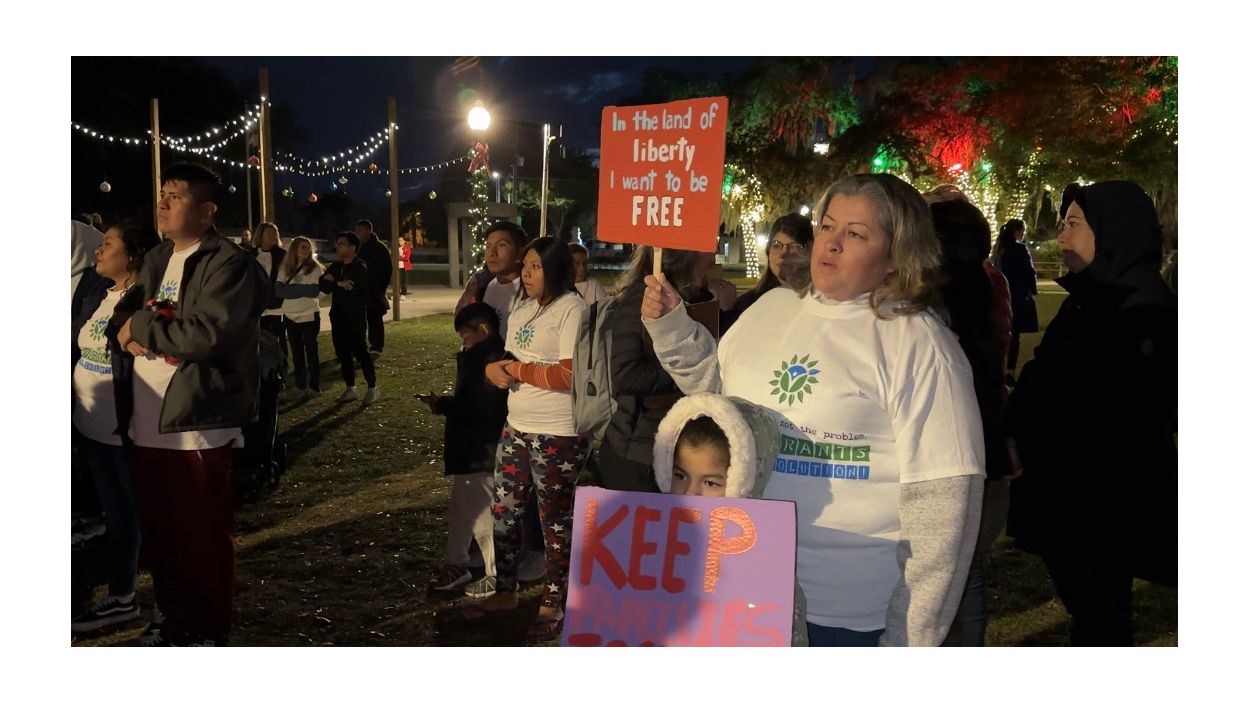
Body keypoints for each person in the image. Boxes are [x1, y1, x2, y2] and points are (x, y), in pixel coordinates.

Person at [641, 173, 985, 646]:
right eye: (827, 226)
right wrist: (672, 328)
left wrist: (909, 640)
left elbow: (944, 508)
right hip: (744, 589)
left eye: (856, 234)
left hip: (849, 613)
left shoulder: (920, 345)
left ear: (897, 255)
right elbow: (726, 406)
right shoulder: (770, 308)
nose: (832, 243)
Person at [1004, 180, 1177, 646]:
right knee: (1091, 609)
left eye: (1074, 224)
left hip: (1102, 504)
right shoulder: (1089, 301)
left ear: (1112, 231)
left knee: (1102, 615)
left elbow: (1116, 412)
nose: (1061, 236)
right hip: (1071, 496)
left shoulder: (1145, 311)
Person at [111, 162, 269, 646]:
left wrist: (141, 327)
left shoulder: (229, 264)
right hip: (148, 417)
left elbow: (209, 334)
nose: (162, 203)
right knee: (162, 531)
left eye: (175, 196)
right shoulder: (160, 256)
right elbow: (126, 307)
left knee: (200, 532)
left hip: (196, 419)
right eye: (162, 194)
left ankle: (207, 629)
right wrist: (129, 324)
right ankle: (172, 618)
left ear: (206, 212)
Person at [462, 236, 590, 643]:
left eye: (536, 267)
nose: (528, 274)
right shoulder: (522, 309)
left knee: (554, 521)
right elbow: (512, 359)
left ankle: (553, 601)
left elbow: (569, 375)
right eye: (527, 266)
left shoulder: (572, 309)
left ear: (555, 269)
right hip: (516, 426)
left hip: (559, 432)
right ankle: (506, 590)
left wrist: (517, 372)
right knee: (505, 512)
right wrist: (493, 371)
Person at [651, 392, 808, 646]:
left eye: (711, 483)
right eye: (680, 476)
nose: (690, 493)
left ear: (742, 480)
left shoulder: (766, 564)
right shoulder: (648, 543)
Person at [926, 194, 1013, 646]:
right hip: (985, 457)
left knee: (953, 581)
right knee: (967, 575)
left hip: (953, 463)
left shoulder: (935, 313)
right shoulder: (984, 287)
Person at [71, 219, 160, 633]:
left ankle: (150, 598)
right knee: (115, 513)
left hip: (125, 432)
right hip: (90, 428)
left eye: (108, 244)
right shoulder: (95, 294)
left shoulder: (146, 301)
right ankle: (123, 594)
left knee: (138, 514)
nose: (98, 250)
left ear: (133, 255)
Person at [594, 246, 710, 492]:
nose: (714, 252)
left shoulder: (699, 296)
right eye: (708, 245)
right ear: (686, 254)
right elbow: (626, 374)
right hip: (638, 453)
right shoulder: (644, 298)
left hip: (681, 448)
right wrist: (691, 375)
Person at [418, 302, 508, 596]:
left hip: (480, 449)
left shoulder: (488, 360)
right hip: (474, 448)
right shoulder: (480, 357)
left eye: (466, 336)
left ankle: (493, 572)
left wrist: (443, 404)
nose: (464, 342)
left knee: (479, 514)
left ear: (482, 330)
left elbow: (480, 408)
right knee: (463, 510)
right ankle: (460, 563)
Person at [319, 232, 380, 406]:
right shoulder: (336, 266)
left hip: (354, 317)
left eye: (342, 244)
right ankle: (350, 388)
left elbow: (353, 286)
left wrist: (334, 282)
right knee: (342, 353)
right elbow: (323, 285)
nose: (338, 246)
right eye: (337, 243)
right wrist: (339, 283)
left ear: (353, 247)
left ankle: (372, 388)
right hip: (337, 316)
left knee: (361, 352)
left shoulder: (360, 266)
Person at [726, 213, 814, 329]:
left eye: (794, 246)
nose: (783, 254)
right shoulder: (748, 304)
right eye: (776, 246)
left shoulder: (819, 303)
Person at [455, 221, 527, 333]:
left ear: (520, 252)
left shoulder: (529, 290)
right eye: (488, 246)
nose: (492, 253)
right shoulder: (486, 285)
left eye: (501, 245)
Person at [275, 236, 325, 398]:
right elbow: (279, 291)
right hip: (290, 315)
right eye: (303, 247)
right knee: (297, 353)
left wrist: (291, 290)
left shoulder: (315, 268)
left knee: (311, 352)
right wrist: (302, 289)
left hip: (309, 315)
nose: (306, 250)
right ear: (295, 249)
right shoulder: (285, 267)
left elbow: (315, 291)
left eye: (308, 247)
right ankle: (300, 386)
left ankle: (314, 387)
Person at [991, 219, 1039, 383]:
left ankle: (999, 369)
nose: (1023, 234)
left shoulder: (998, 249)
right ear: (1017, 231)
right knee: (1014, 336)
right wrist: (1032, 290)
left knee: (1000, 335)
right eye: (1022, 231)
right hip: (1017, 297)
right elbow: (1029, 272)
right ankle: (1009, 371)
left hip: (1000, 296)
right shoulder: (1020, 249)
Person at [252, 222, 289, 384]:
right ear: (261, 235)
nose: (273, 236)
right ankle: (263, 371)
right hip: (256, 306)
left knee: (278, 338)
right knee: (259, 339)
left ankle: (282, 371)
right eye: (269, 233)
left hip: (275, 305)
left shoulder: (282, 255)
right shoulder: (251, 254)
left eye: (275, 233)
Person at [354, 219, 392, 358]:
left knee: (374, 319)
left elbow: (387, 270)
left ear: (368, 231)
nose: (356, 233)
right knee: (358, 320)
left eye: (359, 230)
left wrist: (380, 288)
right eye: (356, 230)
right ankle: (358, 346)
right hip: (359, 291)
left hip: (374, 291)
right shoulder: (356, 247)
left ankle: (376, 347)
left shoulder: (380, 248)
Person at [397, 234, 412, 299]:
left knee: (404, 281)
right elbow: (394, 256)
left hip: (405, 267)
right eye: (399, 240)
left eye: (401, 240)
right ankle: (396, 294)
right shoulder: (397, 248)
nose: (400, 242)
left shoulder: (407, 248)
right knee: (397, 281)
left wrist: (399, 257)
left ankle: (403, 294)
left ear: (404, 241)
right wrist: (401, 256)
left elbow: (406, 258)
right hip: (398, 267)